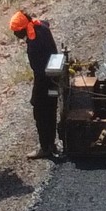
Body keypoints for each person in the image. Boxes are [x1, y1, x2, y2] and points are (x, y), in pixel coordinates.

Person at [11, 10, 62, 158]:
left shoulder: (34, 42)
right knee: (51, 111)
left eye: (16, 32)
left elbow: (39, 71)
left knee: (40, 113)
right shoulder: (42, 27)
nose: (16, 35)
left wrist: (35, 96)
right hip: (54, 77)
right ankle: (52, 144)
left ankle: (45, 147)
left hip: (44, 79)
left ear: (22, 29)